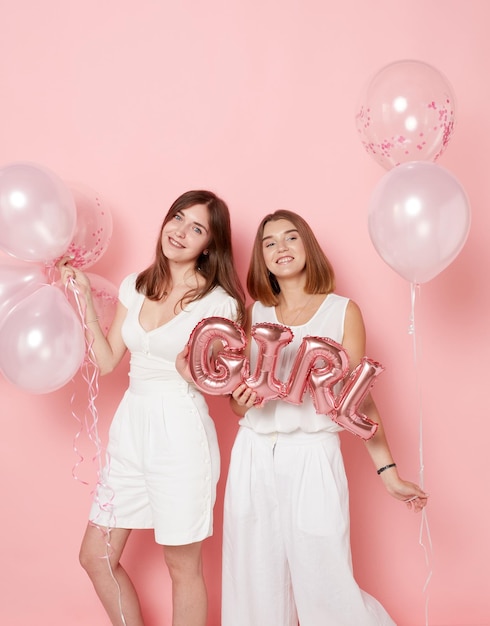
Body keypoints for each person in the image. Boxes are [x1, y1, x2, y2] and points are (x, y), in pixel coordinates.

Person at [222, 209, 428, 626]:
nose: (281, 247)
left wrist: (388, 472)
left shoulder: (342, 311)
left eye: (291, 237)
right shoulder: (254, 313)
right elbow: (236, 402)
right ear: (261, 258)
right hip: (254, 454)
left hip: (312, 454)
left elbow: (359, 398)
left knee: (325, 576)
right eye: (269, 242)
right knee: (252, 577)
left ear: (308, 246)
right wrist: (243, 400)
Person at [60, 190, 245, 626]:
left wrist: (192, 373)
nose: (180, 232)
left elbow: (225, 387)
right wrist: (85, 299)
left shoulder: (220, 304)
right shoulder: (136, 285)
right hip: (131, 427)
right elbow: (107, 361)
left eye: (196, 228)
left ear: (209, 245)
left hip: (180, 431)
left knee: (182, 567)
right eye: (177, 219)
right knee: (95, 556)